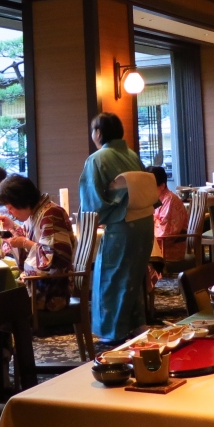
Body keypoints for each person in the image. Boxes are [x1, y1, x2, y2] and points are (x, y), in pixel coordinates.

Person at [78, 112, 149, 346]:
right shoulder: (132, 154)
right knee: (132, 276)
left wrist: (94, 218)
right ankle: (135, 323)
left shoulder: (97, 159)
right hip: (144, 223)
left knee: (110, 276)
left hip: (121, 225)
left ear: (98, 133)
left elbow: (92, 201)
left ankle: (113, 331)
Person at [0, 174, 75, 311]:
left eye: (10, 207)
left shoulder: (51, 214)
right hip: (39, 284)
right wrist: (12, 227)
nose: (10, 213)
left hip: (53, 291)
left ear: (21, 201)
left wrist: (24, 243)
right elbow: (29, 240)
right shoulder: (36, 213)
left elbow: (58, 257)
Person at [149, 165, 188, 284]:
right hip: (161, 244)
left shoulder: (170, 200)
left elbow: (165, 232)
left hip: (170, 248)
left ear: (162, 185)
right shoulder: (157, 200)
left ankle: (148, 288)